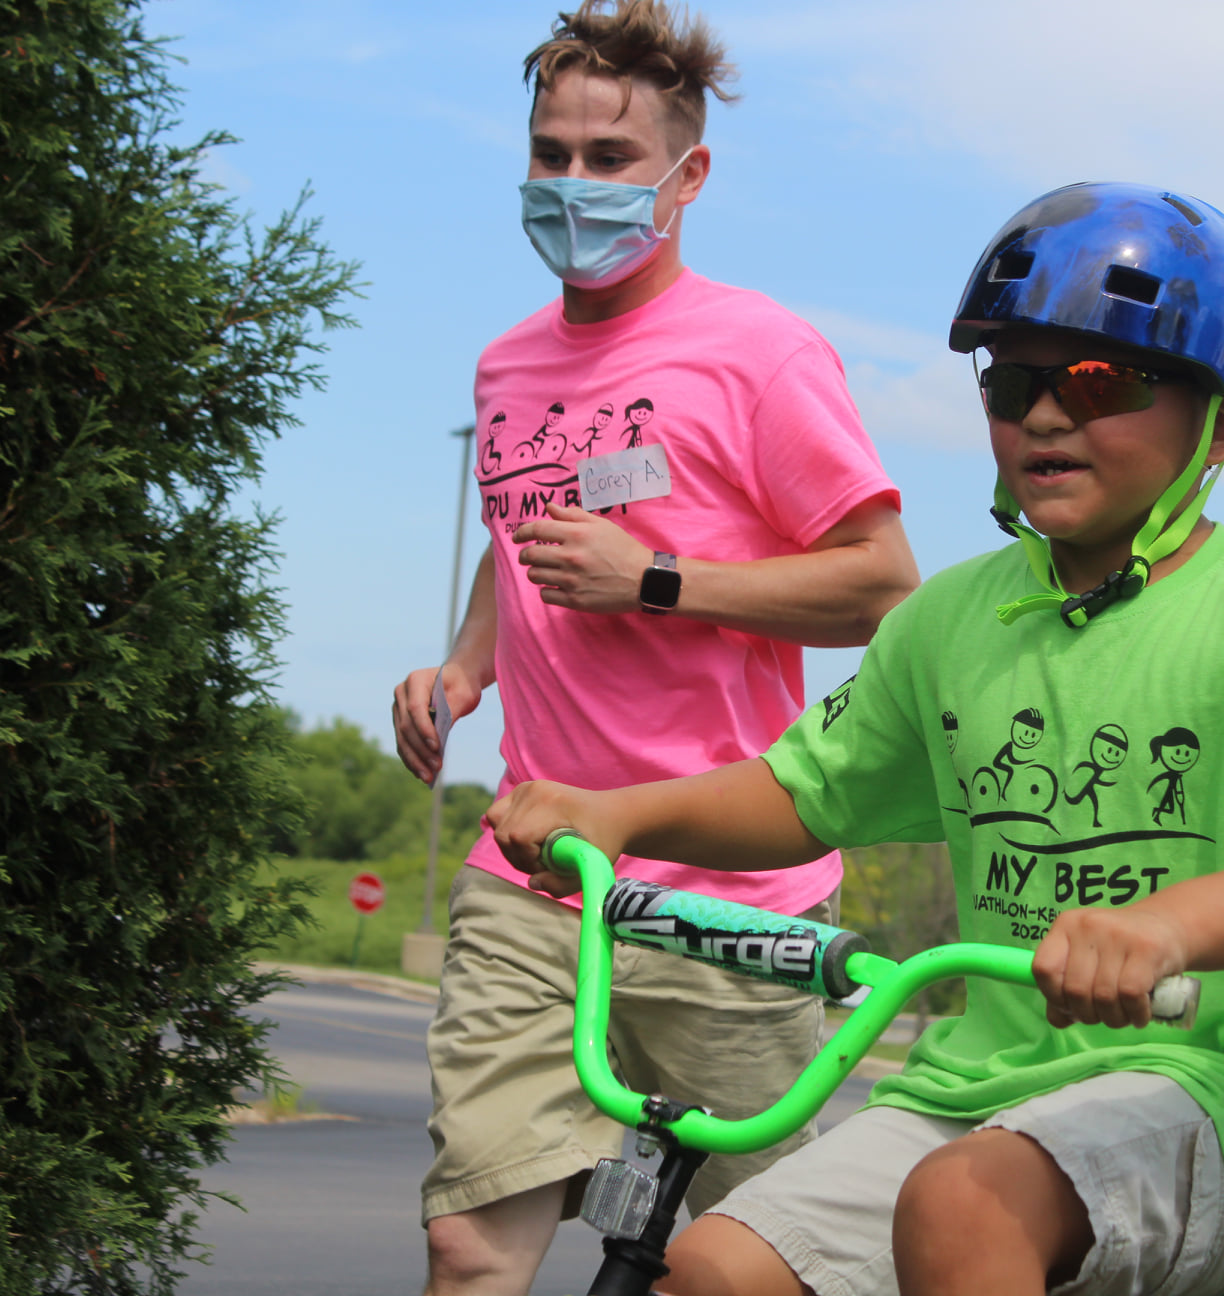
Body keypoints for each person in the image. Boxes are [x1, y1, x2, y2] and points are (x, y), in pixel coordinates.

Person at [489, 183, 1224, 1296]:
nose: (1043, 416)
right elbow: (803, 795)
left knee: (964, 1203)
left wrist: (1165, 929)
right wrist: (617, 814)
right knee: (712, 1267)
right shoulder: (950, 620)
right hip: (975, 1089)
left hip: (1209, 1095)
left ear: (1222, 423)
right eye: (1015, 382)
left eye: (1100, 380)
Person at [389, 5, 920, 1294]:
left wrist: (661, 581)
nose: (573, 183)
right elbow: (519, 530)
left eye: (611, 159)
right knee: (468, 1239)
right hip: (536, 862)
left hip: (724, 894)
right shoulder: (507, 364)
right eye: (551, 153)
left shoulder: (761, 355)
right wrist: (468, 665)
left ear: (686, 178)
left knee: (733, 1270)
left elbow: (884, 588)